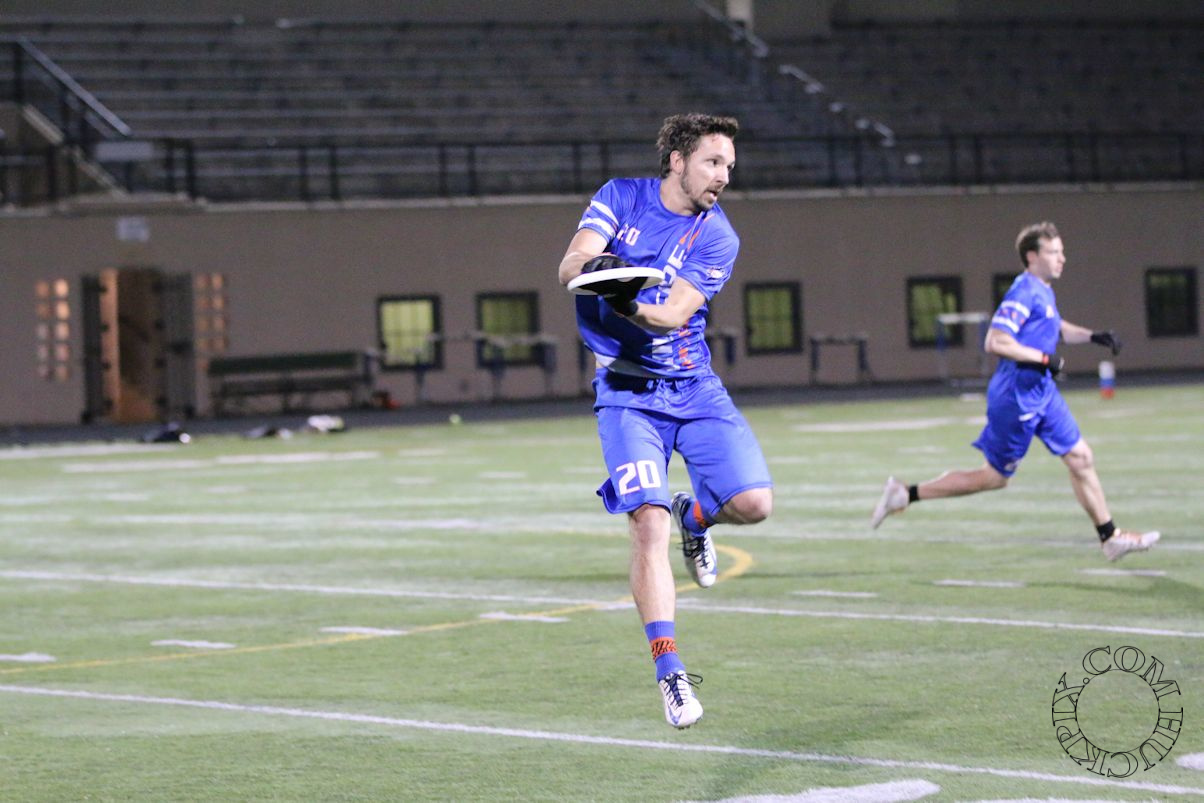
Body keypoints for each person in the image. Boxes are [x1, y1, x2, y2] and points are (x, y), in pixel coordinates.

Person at [557, 113, 773, 729]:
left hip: (693, 386)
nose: (723, 176)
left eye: (729, 166)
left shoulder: (719, 236)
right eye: (713, 162)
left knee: (754, 504)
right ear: (677, 160)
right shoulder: (620, 196)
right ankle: (671, 673)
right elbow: (571, 265)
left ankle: (696, 516)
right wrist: (596, 272)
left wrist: (623, 298)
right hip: (626, 394)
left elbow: (673, 315)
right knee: (646, 523)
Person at [871, 221, 1160, 562]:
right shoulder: (1023, 292)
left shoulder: (1043, 290)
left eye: (1062, 251)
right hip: (1016, 398)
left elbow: (1054, 326)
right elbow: (996, 341)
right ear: (1032, 256)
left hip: (1042, 392)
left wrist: (1093, 336)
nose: (1062, 258)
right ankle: (905, 494)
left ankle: (1109, 537)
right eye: (1054, 252)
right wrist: (1043, 358)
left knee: (1081, 457)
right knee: (994, 478)